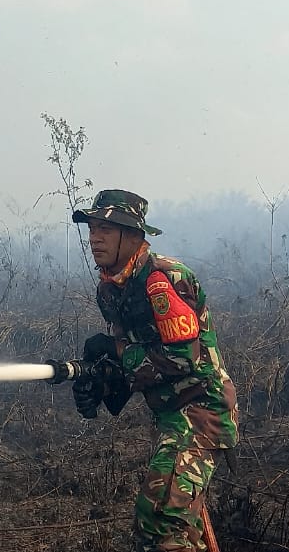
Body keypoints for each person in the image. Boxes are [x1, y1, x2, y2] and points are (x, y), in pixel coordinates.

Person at [69, 189, 239, 552]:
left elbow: (181, 359)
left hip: (199, 412)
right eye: (92, 229)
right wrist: (101, 384)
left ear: (133, 236)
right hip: (171, 412)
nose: (94, 238)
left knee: (158, 522)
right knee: (180, 532)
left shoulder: (162, 280)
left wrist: (116, 350)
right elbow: (135, 358)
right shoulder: (112, 288)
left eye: (105, 229)